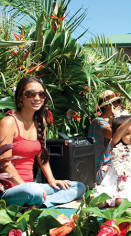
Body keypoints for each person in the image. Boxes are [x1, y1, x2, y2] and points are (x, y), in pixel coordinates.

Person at [0, 77, 86, 207]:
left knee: (78, 186)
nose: (37, 98)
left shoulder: (41, 122)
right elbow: (4, 163)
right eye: (30, 94)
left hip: (33, 187)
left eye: (41, 94)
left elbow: (42, 156)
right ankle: (38, 199)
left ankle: (42, 203)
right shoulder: (8, 122)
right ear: (20, 97)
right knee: (33, 191)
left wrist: (52, 180)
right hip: (11, 190)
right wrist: (26, 187)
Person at [94, 103, 131, 207]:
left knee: (121, 201)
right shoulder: (114, 144)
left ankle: (127, 202)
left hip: (129, 183)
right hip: (113, 182)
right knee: (100, 202)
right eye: (127, 133)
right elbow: (117, 135)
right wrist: (130, 121)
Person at [88, 90, 122, 184]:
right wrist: (118, 116)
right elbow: (116, 135)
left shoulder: (111, 122)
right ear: (108, 105)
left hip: (113, 165)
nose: (120, 105)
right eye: (117, 102)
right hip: (101, 169)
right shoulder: (98, 122)